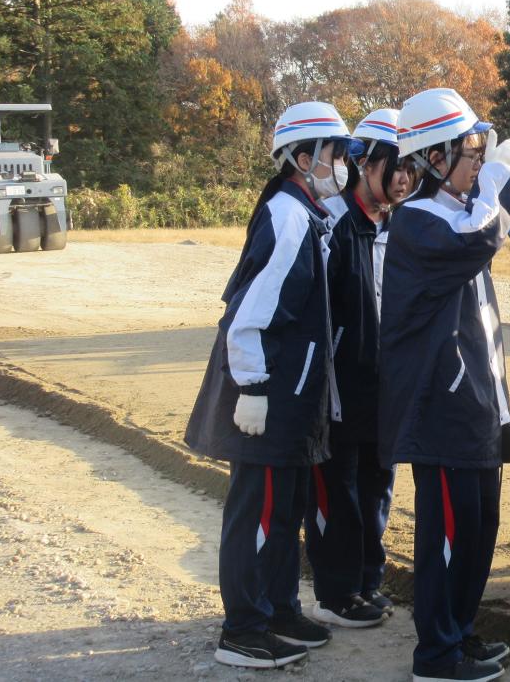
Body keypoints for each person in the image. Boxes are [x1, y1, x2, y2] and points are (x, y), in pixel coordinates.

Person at [184, 102, 352, 669]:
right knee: (259, 512)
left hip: (292, 397)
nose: (344, 166)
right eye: (336, 154)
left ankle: (278, 610)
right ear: (303, 160)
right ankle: (244, 629)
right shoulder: (287, 216)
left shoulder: (307, 215)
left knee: (286, 511)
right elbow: (249, 313)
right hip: (266, 398)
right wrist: (252, 386)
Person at [377, 87, 510, 682]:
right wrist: (495, 183)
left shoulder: (456, 213)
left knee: (478, 526)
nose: (478, 158)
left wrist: (493, 183)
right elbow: (482, 235)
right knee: (446, 533)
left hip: (475, 406)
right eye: (470, 149)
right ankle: (436, 655)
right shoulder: (418, 221)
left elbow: (494, 230)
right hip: (440, 410)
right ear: (434, 158)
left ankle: (459, 634)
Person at [304, 107, 411, 630]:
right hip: (338, 388)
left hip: (385, 385)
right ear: (362, 162)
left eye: (410, 168)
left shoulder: (400, 226)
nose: (403, 179)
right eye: (393, 166)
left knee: (377, 485)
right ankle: (335, 591)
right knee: (336, 486)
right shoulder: (334, 224)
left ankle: (369, 579)